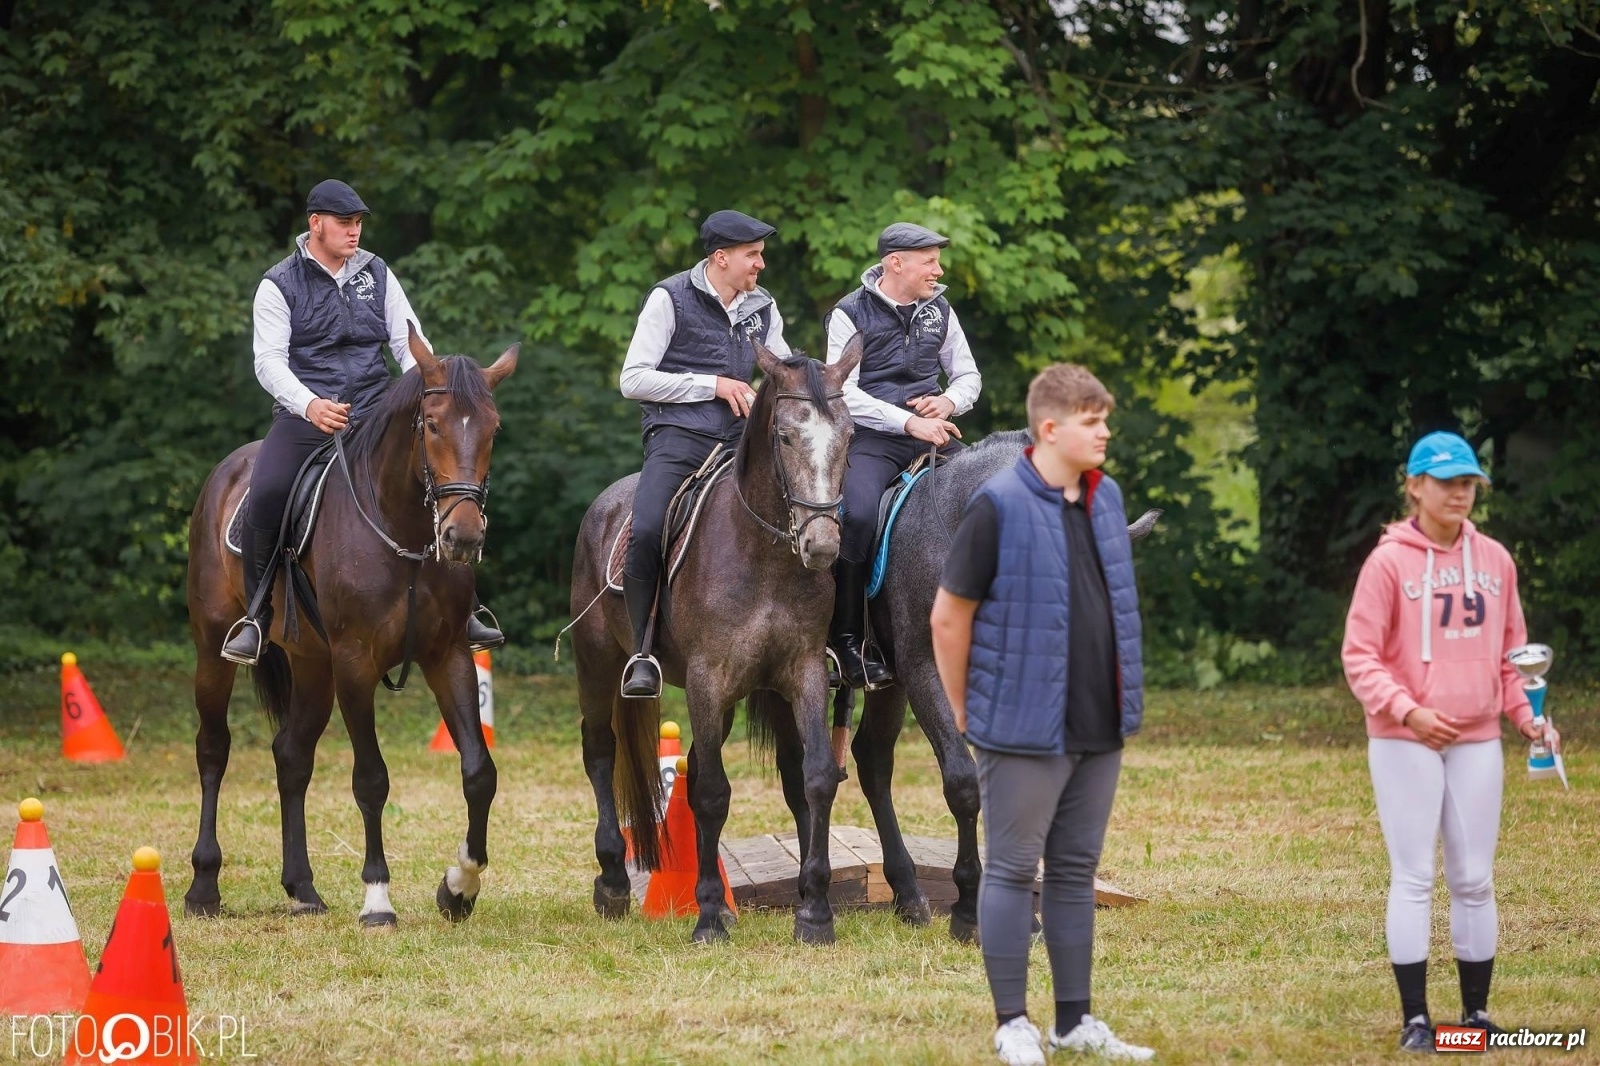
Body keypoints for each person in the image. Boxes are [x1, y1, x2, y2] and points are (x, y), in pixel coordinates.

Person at [930, 364, 1152, 1065]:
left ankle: (1074, 1021)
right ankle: (1011, 1024)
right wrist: (967, 710)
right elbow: (948, 617)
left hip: (1098, 720)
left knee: (1074, 869)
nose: (1106, 431)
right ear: (1051, 428)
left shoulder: (1108, 497)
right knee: (1012, 870)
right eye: (1093, 420)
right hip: (1020, 724)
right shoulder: (995, 505)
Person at [222, 179, 503, 665]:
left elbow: (408, 341)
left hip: (376, 408)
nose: (354, 232)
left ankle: (467, 606)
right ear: (316, 224)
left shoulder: (376, 272)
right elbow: (268, 362)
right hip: (306, 413)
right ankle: (255, 614)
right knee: (267, 491)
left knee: (444, 477)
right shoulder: (278, 284)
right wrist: (309, 404)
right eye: (345, 223)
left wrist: (434, 388)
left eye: (358, 224)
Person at [1342, 430, 1560, 1052]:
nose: (1459, 493)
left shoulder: (1495, 560)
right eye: (1445, 482)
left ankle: (1477, 1016)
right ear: (1415, 487)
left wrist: (1529, 717)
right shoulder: (1387, 562)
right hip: (1404, 737)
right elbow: (1359, 656)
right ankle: (1416, 1019)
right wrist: (1407, 712)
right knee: (1413, 876)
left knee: (1474, 877)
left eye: (1468, 483)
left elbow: (1511, 660)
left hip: (1476, 738)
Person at [617, 209, 790, 698]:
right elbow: (632, 379)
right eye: (752, 256)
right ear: (721, 257)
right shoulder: (668, 298)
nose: (759, 265)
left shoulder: (763, 305)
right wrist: (711, 384)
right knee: (648, 525)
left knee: (807, 509)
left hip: (742, 442)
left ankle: (811, 640)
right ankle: (642, 651)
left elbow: (780, 366)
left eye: (759, 255)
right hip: (677, 437)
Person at [824, 222, 982, 716]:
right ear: (897, 263)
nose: (938, 270)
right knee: (857, 517)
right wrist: (907, 422)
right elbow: (842, 393)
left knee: (993, 502)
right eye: (930, 261)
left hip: (935, 433)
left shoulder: (941, 309)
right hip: (872, 441)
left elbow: (968, 375)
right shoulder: (848, 313)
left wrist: (948, 402)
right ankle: (847, 643)